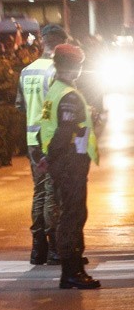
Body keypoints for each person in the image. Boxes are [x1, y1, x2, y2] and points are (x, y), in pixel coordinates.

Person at [36, 44, 100, 290]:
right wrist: (50, 159)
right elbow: (64, 133)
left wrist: (47, 158)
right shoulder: (69, 95)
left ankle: (70, 271)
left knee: (70, 214)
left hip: (62, 161)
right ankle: (72, 271)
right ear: (74, 67)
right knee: (73, 215)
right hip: (69, 162)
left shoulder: (55, 90)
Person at [16, 24, 68, 265]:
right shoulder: (55, 70)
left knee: (39, 192)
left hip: (31, 138)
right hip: (50, 139)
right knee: (52, 194)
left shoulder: (27, 71)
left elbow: (21, 106)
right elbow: (59, 107)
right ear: (59, 43)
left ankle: (38, 249)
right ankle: (55, 247)